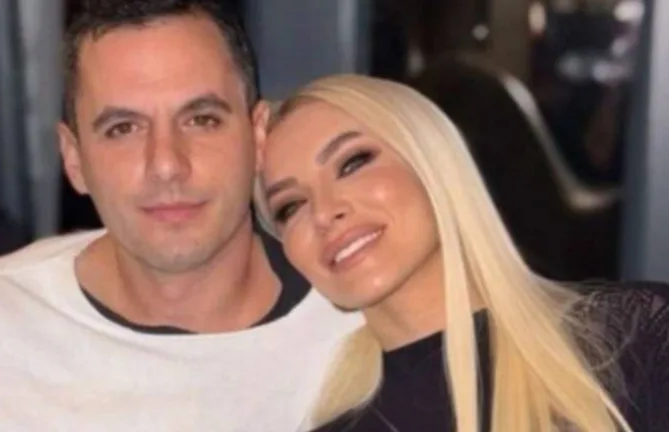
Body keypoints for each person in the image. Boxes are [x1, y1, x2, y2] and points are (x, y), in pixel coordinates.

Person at [0, 2, 361, 431]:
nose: (166, 164)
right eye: (123, 129)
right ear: (74, 159)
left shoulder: (359, 329)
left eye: (201, 120)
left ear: (259, 135)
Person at [255, 74, 669, 431]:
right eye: (290, 207)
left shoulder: (638, 340)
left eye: (353, 163)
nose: (324, 213)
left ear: (432, 161)